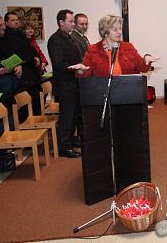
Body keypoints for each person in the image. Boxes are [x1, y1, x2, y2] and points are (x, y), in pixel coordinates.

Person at [46, 10, 84, 158]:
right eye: (71, 21)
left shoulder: (69, 37)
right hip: (64, 84)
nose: (73, 24)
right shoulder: (55, 40)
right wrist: (75, 67)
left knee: (74, 114)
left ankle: (70, 138)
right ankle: (63, 146)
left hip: (73, 82)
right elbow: (59, 63)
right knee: (67, 116)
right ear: (61, 22)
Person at [81, 14, 159, 77]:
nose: (119, 32)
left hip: (125, 92)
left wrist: (146, 60)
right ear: (105, 32)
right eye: (115, 29)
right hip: (103, 93)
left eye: (120, 28)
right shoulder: (93, 50)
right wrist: (81, 71)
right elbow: (85, 75)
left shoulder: (128, 47)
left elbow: (142, 68)